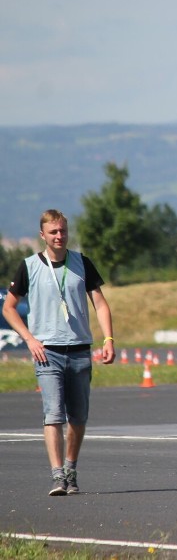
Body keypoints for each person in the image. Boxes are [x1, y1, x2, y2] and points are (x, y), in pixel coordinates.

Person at [2, 209, 115, 496]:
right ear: (43, 235)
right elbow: (9, 308)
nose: (59, 236)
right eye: (53, 232)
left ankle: (71, 469)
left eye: (63, 230)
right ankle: (57, 476)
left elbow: (100, 304)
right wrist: (29, 338)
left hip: (79, 351)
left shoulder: (81, 263)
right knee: (53, 414)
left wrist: (108, 338)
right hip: (47, 352)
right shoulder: (29, 266)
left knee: (78, 417)